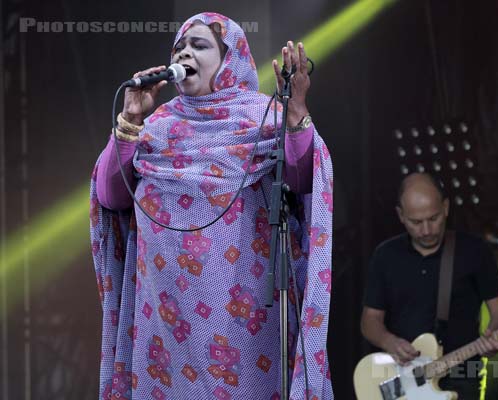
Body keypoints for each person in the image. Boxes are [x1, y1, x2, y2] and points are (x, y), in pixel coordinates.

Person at [89, 12, 333, 399]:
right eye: (180, 47)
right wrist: (130, 121)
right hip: (164, 324)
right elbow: (110, 198)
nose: (185, 52)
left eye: (199, 45)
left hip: (245, 319)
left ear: (230, 57)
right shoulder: (155, 126)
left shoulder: (263, 115)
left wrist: (298, 115)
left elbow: (304, 183)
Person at [360, 173, 498, 400]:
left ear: (446, 208)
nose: (427, 230)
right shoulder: (385, 255)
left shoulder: (474, 251)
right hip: (402, 379)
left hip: (461, 375)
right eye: (416, 222)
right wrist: (389, 341)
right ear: (401, 215)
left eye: (434, 218)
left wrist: (495, 333)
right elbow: (369, 321)